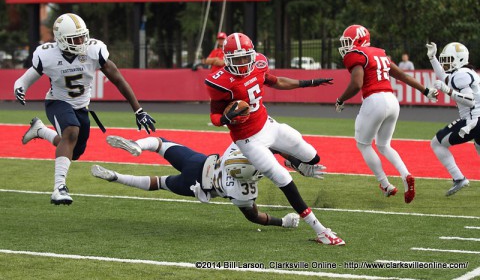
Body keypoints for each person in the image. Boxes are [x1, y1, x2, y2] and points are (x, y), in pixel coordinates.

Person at [204, 32, 344, 246]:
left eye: (245, 57)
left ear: (252, 55)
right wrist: (225, 118)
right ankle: (321, 230)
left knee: (312, 158)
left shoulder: (259, 64)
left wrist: (308, 82)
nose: (243, 63)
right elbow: (214, 117)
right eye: (237, 59)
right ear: (227, 58)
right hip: (248, 140)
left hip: (269, 125)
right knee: (283, 179)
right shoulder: (220, 82)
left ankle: (293, 162)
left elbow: (276, 81)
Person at [13, 13, 156, 206]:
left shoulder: (93, 50)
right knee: (71, 131)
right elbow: (27, 77)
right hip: (57, 101)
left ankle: (40, 131)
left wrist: (138, 110)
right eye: (75, 38)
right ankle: (59, 188)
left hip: (82, 107)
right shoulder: (47, 55)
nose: (81, 41)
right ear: (61, 40)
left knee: (74, 150)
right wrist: (20, 86)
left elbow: (118, 80)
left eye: (82, 36)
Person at [91, 135, 301, 229]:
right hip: (196, 187)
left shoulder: (238, 150)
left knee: (160, 144)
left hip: (199, 162)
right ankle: (116, 177)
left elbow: (265, 147)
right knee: (160, 183)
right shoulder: (243, 190)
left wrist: (292, 160)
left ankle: (137, 145)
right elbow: (255, 217)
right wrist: (282, 222)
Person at [335, 24, 438, 204]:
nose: (346, 46)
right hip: (392, 101)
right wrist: (426, 90)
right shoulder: (379, 53)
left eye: (348, 42)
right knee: (384, 145)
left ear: (358, 41)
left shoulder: (356, 54)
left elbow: (357, 83)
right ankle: (406, 175)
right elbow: (403, 76)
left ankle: (385, 184)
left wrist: (341, 99)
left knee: (363, 144)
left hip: (374, 101)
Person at [426, 42, 478, 196]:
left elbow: (469, 101)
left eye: (449, 59)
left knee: (437, 143)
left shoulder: (460, 75)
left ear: (459, 59)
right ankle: (459, 178)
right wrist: (432, 58)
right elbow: (445, 77)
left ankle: (459, 178)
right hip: (477, 119)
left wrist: (447, 91)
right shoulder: (464, 72)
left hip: (473, 121)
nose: (446, 63)